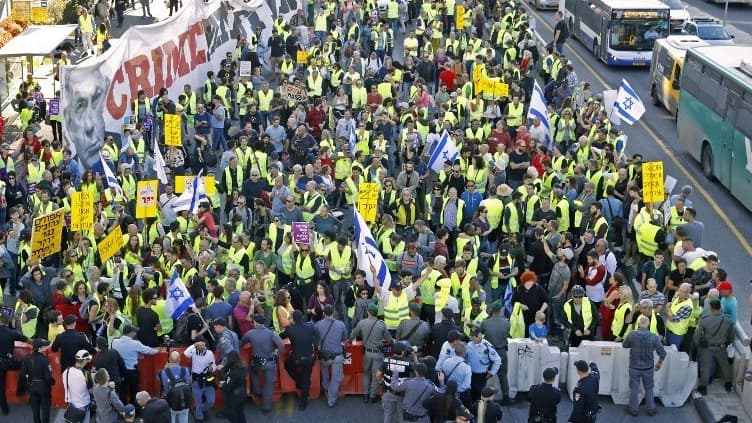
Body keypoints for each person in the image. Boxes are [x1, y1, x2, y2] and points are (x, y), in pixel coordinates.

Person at [60, 65, 110, 170]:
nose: (89, 126)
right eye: (80, 106)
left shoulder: (119, 148)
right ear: (69, 125)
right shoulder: (67, 167)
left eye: (96, 99)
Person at [622, 315, 667, 416]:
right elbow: (663, 353)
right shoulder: (653, 336)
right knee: (649, 388)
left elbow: (624, 345)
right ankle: (651, 409)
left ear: (638, 324)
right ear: (649, 325)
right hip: (648, 368)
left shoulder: (632, 335)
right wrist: (659, 363)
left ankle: (633, 409)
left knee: (634, 388)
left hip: (634, 367)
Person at [349, 302, 394, 403]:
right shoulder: (381, 324)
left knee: (366, 374)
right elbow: (389, 339)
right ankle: (372, 397)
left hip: (367, 353)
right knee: (375, 375)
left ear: (368, 312)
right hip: (378, 353)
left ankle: (365, 395)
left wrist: (348, 341)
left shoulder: (362, 322)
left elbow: (352, 335)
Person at [240, 314, 284, 414]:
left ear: (255, 322)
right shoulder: (271, 333)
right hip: (270, 362)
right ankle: (266, 407)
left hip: (256, 363)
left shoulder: (250, 333)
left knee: (253, 373)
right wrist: (277, 352)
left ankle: (257, 391)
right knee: (269, 385)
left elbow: (241, 344)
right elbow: (281, 345)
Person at [694, 297, 735, 395]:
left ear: (711, 308)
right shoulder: (728, 320)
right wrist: (726, 343)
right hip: (721, 346)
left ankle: (703, 387)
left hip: (707, 347)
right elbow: (731, 336)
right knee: (725, 365)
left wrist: (698, 345)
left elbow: (697, 336)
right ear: (720, 307)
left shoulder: (705, 320)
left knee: (705, 367)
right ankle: (728, 384)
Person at [111, 324, 158, 405]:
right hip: (132, 372)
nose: (135, 333)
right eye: (134, 332)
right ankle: (135, 410)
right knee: (134, 391)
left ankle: (124, 410)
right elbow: (148, 351)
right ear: (131, 333)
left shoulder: (114, 342)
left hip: (120, 372)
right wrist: (157, 350)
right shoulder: (135, 343)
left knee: (122, 392)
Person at [281, 310, 316, 410]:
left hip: (296, 359)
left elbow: (280, 337)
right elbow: (315, 333)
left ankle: (299, 382)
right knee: (306, 379)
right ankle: (303, 402)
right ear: (303, 317)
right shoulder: (310, 327)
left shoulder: (290, 330)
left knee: (287, 364)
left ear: (293, 319)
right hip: (309, 358)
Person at [315, 304, 348, 407]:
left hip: (324, 356)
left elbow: (316, 341)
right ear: (333, 312)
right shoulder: (341, 324)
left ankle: (326, 388)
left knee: (325, 374)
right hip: (337, 356)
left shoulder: (318, 325)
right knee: (336, 378)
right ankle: (331, 399)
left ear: (324, 313)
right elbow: (344, 338)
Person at [480, 301, 511, 404]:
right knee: (503, 376)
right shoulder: (506, 322)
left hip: (489, 353)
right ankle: (506, 397)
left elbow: (481, 333)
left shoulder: (485, 323)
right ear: (500, 310)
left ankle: (483, 397)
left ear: (491, 310)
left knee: (485, 375)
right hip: (501, 352)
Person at [377, 341, 416, 422]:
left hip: (388, 391)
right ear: (402, 352)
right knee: (401, 414)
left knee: (388, 413)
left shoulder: (386, 361)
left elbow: (378, 374)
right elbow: (416, 374)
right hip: (402, 393)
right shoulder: (408, 363)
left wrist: (381, 381)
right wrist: (415, 357)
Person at [19, 339, 55, 423]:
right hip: (44, 388)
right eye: (44, 345)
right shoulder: (44, 360)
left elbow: (22, 374)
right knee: (45, 410)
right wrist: (53, 382)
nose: (46, 346)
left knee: (35, 411)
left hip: (32, 387)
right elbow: (48, 377)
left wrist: (29, 380)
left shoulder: (28, 358)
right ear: (40, 348)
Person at [184, 338, 216, 423]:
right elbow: (186, 353)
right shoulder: (194, 351)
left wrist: (212, 368)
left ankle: (202, 410)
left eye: (203, 346)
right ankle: (199, 417)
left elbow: (214, 365)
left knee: (211, 401)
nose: (202, 348)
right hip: (196, 380)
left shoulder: (209, 353)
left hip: (207, 379)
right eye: (200, 346)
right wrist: (194, 345)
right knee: (198, 401)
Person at [466, 328, 501, 402]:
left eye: (474, 337)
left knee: (480, 397)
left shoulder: (487, 346)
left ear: (479, 335)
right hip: (470, 375)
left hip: (481, 376)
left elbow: (497, 360)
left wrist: (492, 372)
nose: (472, 338)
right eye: (471, 336)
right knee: (471, 396)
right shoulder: (469, 345)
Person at [0, 315, 26, 416]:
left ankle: (4, 409)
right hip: (8, 362)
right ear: (8, 322)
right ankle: (21, 390)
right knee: (24, 365)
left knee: (1, 387)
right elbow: (25, 339)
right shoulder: (11, 332)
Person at [158, 350, 192, 423]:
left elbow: (161, 382)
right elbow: (189, 383)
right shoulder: (186, 370)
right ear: (179, 359)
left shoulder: (163, 372)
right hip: (184, 401)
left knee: (171, 419)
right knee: (184, 419)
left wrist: (165, 368)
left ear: (169, 359)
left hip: (170, 402)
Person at [62, 350, 94, 423]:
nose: (88, 361)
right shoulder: (86, 374)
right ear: (84, 360)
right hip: (83, 406)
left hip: (70, 406)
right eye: (87, 359)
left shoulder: (66, 371)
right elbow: (91, 391)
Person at [439, 342, 473, 409]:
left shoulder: (446, 362)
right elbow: (466, 385)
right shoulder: (467, 367)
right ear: (464, 352)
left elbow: (443, 376)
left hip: (448, 391)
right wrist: (456, 391)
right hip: (461, 395)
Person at [219, 351, 247, 423]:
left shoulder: (233, 373)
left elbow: (228, 386)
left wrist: (222, 385)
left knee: (232, 415)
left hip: (234, 396)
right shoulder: (243, 367)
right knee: (241, 413)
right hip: (242, 393)